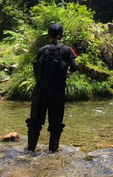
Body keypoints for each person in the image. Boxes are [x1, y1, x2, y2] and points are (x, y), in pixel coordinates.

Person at [26, 23, 78, 152]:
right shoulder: (67, 50)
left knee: (35, 121)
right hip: (57, 91)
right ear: (62, 35)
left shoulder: (42, 50)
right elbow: (75, 67)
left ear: (48, 35)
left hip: (40, 91)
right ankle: (52, 151)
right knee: (56, 123)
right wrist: (67, 72)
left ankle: (30, 150)